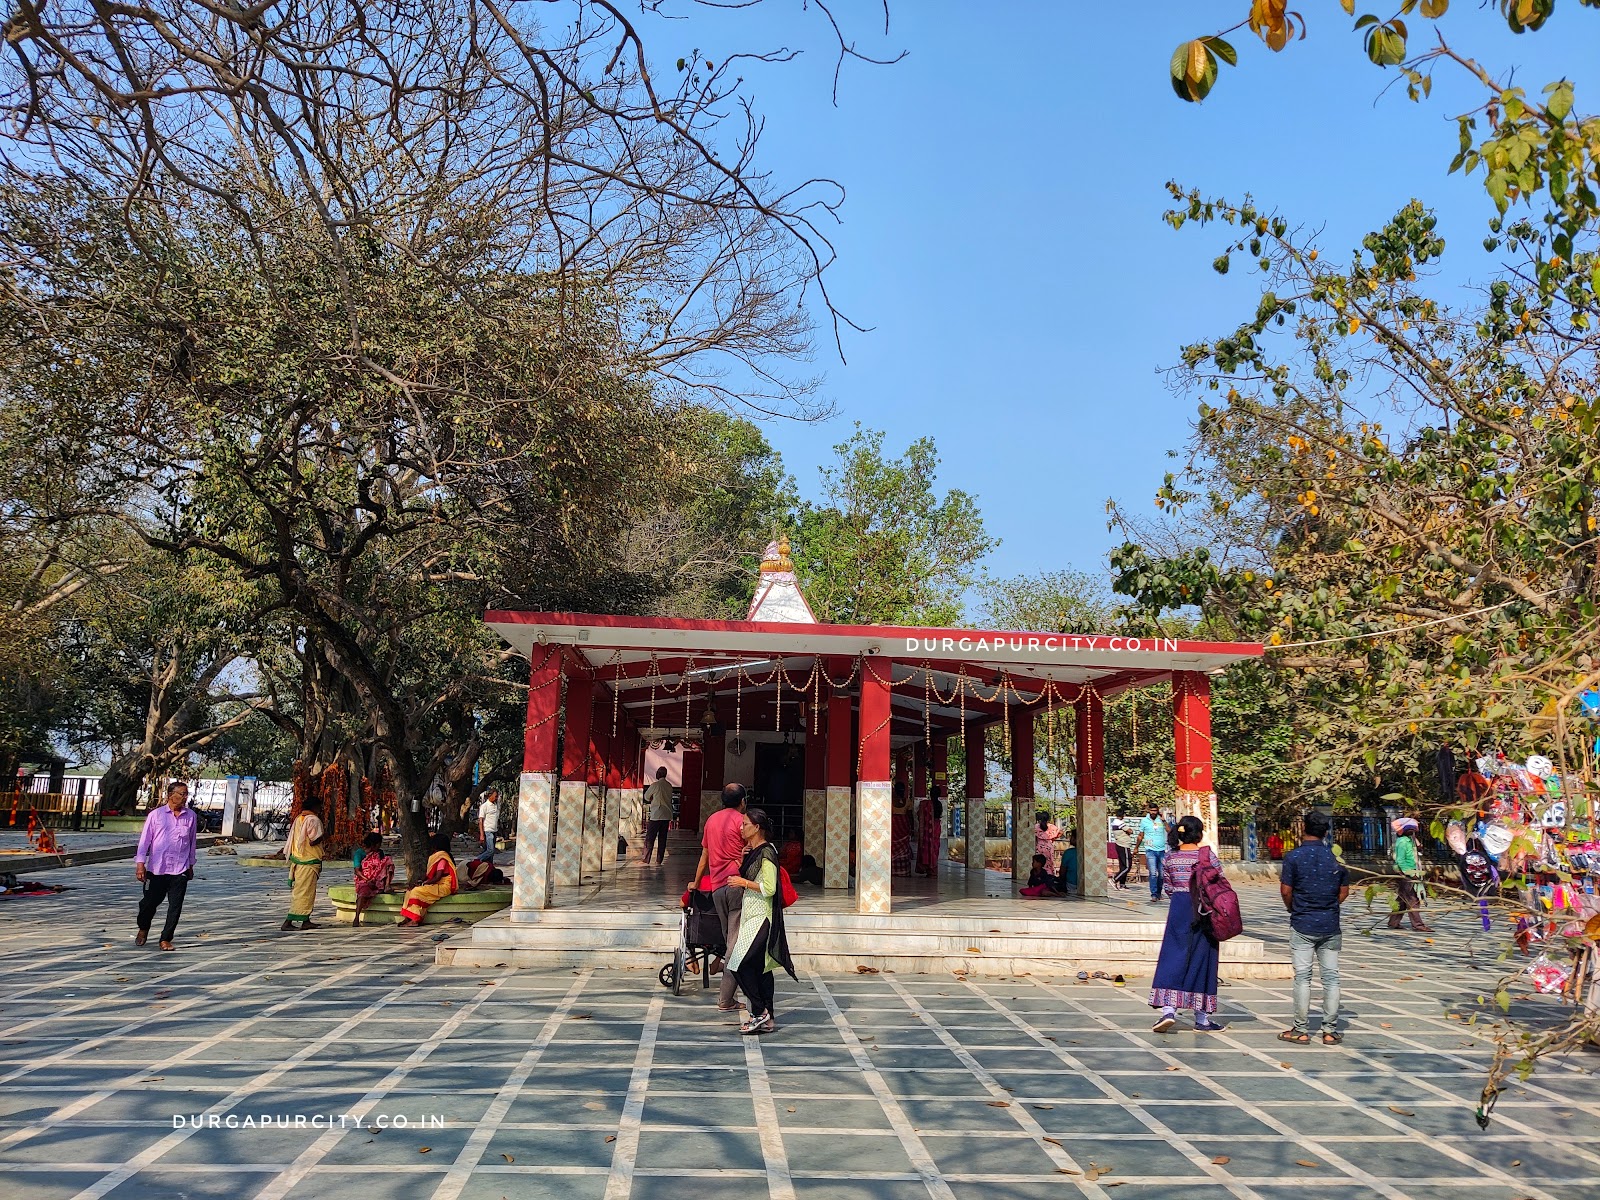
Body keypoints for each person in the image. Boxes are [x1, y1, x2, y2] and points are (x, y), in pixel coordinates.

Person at [1148, 815, 1226, 1032]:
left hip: (1179, 909)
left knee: (1172, 955)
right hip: (1203, 910)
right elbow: (1220, 883)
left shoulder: (1170, 857)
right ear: (1199, 833)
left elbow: (1168, 887)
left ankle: (1168, 1010)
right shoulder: (1207, 856)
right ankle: (1202, 1019)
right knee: (1203, 959)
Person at [1278, 810, 1349, 1045]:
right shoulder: (1335, 859)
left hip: (1302, 924)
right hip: (1330, 925)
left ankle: (1300, 1029)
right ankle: (1330, 1031)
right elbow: (1344, 892)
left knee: (1302, 977)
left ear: (1303, 828)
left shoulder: (1293, 857)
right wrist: (1328, 906)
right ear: (1326, 832)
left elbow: (1286, 890)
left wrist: (1293, 908)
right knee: (1331, 978)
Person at [723, 807, 795, 1035]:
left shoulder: (767, 853)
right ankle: (768, 1018)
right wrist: (743, 860)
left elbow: (770, 888)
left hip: (762, 916)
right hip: (750, 915)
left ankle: (759, 1011)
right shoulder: (755, 851)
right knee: (760, 968)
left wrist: (742, 882)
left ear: (756, 827)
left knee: (737, 963)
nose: (741, 828)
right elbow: (752, 874)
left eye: (745, 824)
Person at [691, 783, 749, 1014]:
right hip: (736, 885)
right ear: (742, 801)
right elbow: (751, 852)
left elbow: (704, 856)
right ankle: (726, 999)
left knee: (730, 940)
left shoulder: (711, 820)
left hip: (717, 889)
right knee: (735, 943)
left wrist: (696, 883)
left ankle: (732, 992)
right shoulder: (742, 822)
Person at [134, 781, 198, 950]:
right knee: (148, 904)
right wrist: (140, 864)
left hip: (180, 868)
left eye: (186, 794)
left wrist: (191, 864)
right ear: (171, 795)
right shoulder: (156, 815)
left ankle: (166, 938)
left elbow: (192, 842)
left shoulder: (191, 816)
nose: (185, 797)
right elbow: (144, 841)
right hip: (157, 869)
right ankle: (143, 927)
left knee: (175, 906)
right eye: (182, 794)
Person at [281, 796, 326, 932]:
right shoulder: (313, 820)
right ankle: (288, 921)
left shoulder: (299, 818)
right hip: (308, 860)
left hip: (299, 860)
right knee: (304, 893)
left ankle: (305, 920)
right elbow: (313, 840)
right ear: (314, 807)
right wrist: (324, 836)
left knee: (304, 891)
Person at [400, 833, 460, 924]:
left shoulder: (442, 857)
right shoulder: (436, 856)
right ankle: (408, 917)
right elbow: (430, 875)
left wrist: (424, 883)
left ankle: (415, 919)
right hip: (436, 884)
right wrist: (421, 882)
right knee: (409, 891)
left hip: (444, 886)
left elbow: (437, 877)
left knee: (416, 891)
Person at [1387, 817, 1433, 932]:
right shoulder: (1402, 842)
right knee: (1413, 899)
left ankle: (1393, 922)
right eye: (1411, 830)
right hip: (1406, 873)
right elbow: (1400, 861)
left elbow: (1419, 848)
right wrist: (1411, 874)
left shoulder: (1409, 840)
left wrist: (1415, 840)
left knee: (1402, 899)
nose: (1413, 832)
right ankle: (1418, 925)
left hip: (1412, 871)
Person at [351, 832, 395, 927]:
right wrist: (367, 879)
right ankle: (356, 917)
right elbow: (357, 871)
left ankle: (387, 886)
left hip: (377, 879)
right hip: (364, 879)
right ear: (373, 844)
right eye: (379, 844)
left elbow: (383, 866)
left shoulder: (379, 853)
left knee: (388, 860)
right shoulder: (360, 853)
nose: (380, 846)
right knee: (363, 892)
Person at [1458, 835, 1499, 932]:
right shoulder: (1484, 857)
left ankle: (1486, 925)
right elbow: (1494, 872)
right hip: (1483, 882)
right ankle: (1486, 925)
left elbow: (1463, 873)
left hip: (1476, 882)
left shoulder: (1466, 857)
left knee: (1483, 902)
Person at [1133, 801, 1170, 903]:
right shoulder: (1144, 821)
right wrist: (1136, 847)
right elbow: (1141, 835)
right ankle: (1153, 894)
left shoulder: (1161, 820)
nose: (1154, 812)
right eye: (1152, 810)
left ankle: (1159, 893)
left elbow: (1169, 831)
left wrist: (1164, 821)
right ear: (1149, 811)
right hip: (1150, 850)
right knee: (1153, 873)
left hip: (1161, 850)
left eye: (1155, 810)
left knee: (1161, 874)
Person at [643, 767, 673, 865]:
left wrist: (652, 798)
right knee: (662, 839)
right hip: (666, 814)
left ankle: (646, 859)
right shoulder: (669, 786)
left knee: (650, 838)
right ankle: (659, 860)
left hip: (656, 814)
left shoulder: (655, 785)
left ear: (659, 774)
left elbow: (646, 797)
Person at [916, 784, 942, 875]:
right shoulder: (939, 804)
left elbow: (919, 815)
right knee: (934, 848)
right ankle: (933, 869)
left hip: (927, 829)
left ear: (930, 794)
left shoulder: (925, 804)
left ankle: (925, 867)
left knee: (926, 847)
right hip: (936, 828)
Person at [1111, 815, 1136, 891]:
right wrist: (1128, 831)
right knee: (1127, 866)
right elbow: (1130, 831)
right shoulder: (1119, 823)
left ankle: (1122, 884)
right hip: (1123, 845)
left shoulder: (1114, 823)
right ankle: (1115, 879)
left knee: (1122, 866)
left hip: (1119, 844)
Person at [1034, 810, 1063, 875]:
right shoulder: (1052, 827)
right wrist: (1053, 838)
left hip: (1039, 846)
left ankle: (1039, 875)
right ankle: (1049, 875)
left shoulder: (1036, 826)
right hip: (1049, 846)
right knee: (1050, 863)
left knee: (1039, 862)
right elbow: (1060, 832)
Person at [477, 789, 501, 865]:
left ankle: (489, 867)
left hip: (494, 830)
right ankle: (477, 860)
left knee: (490, 854)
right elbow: (481, 821)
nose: (496, 798)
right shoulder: (484, 806)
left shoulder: (496, 805)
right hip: (488, 831)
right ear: (490, 796)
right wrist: (481, 834)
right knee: (490, 850)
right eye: (495, 796)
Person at [1056, 829, 1080, 894]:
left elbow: (1062, 871)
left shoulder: (1068, 853)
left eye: (1072, 836)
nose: (1070, 838)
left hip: (1071, 884)